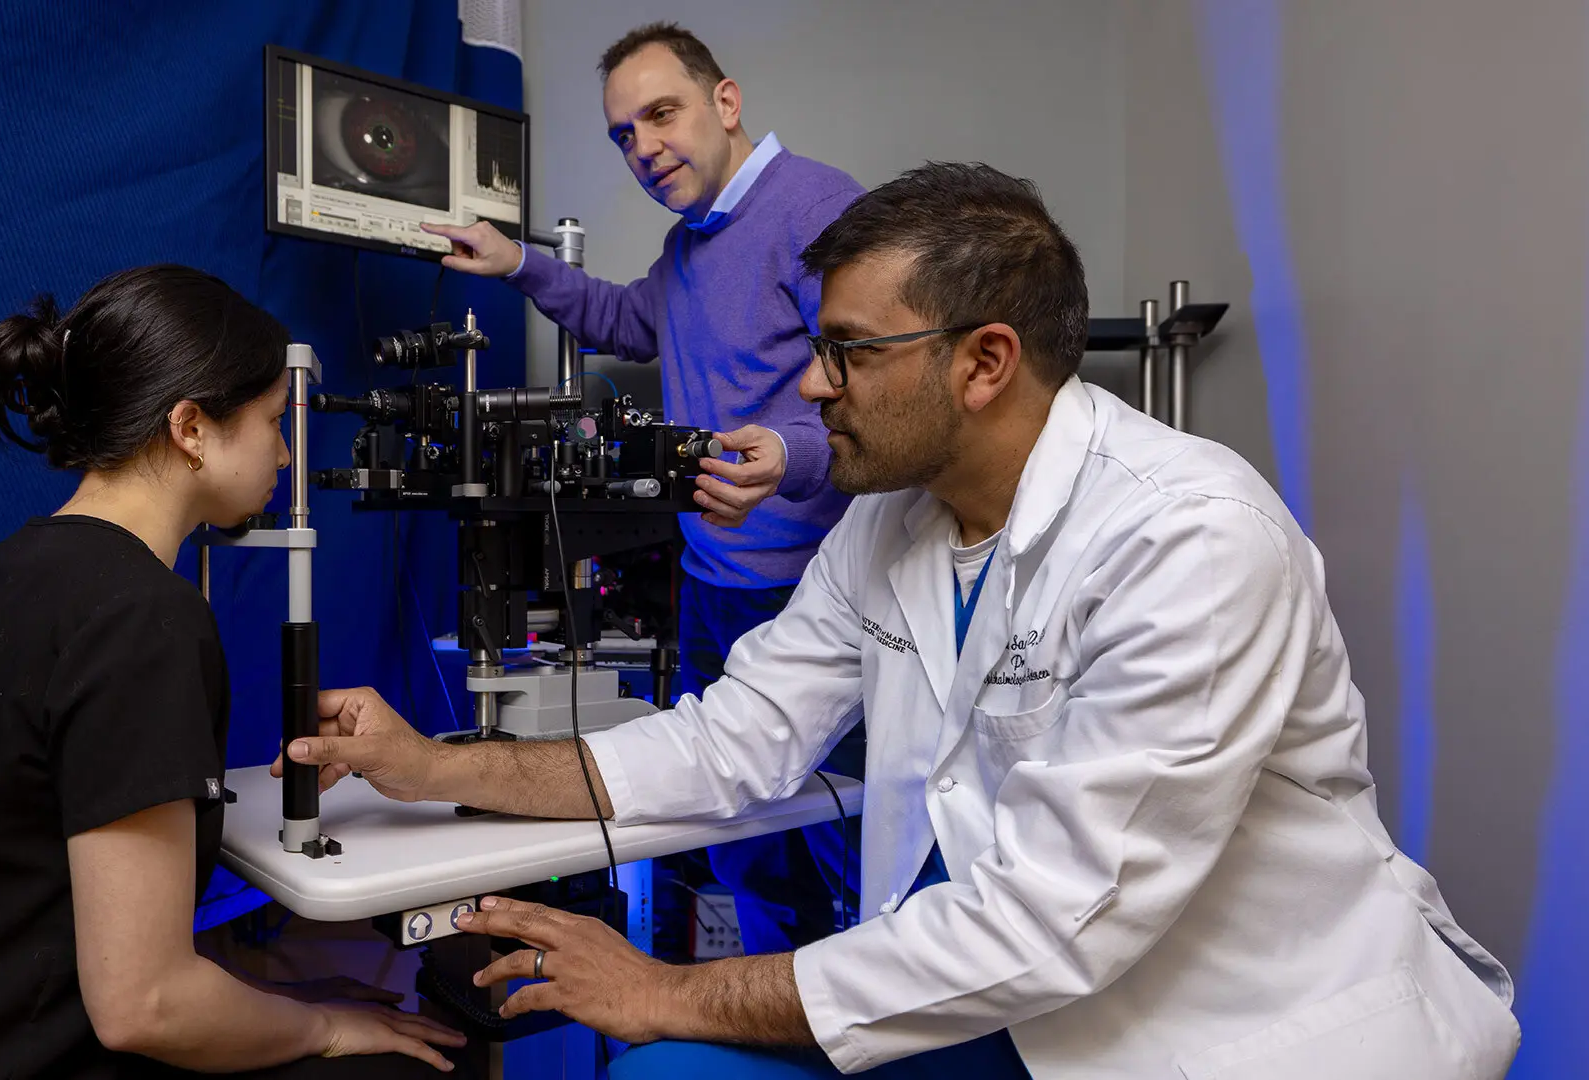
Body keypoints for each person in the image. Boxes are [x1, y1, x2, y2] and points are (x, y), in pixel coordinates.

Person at [282, 164, 1523, 1079]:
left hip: (1217, 1027)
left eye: (847, 352)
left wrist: (669, 988)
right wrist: (433, 766)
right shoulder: (891, 524)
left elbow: (1054, 922)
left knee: (668, 1043)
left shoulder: (1188, 540)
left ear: (983, 363)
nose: (810, 383)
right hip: (997, 996)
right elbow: (731, 741)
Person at [0, 266, 465, 1079]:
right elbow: (146, 1006)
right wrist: (321, 1027)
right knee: (402, 1065)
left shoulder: (5, 571)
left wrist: (277, 1004)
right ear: (191, 427)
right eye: (275, 420)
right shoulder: (142, 617)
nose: (283, 451)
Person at [422, 21, 865, 956]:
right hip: (713, 587)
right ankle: (768, 1005)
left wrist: (790, 456)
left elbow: (875, 376)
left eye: (662, 115)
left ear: (726, 102)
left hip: (817, 593)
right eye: (624, 135)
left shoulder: (818, 208)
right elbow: (626, 320)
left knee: (847, 839)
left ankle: (857, 1012)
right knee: (742, 843)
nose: (645, 148)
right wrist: (518, 262)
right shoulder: (690, 245)